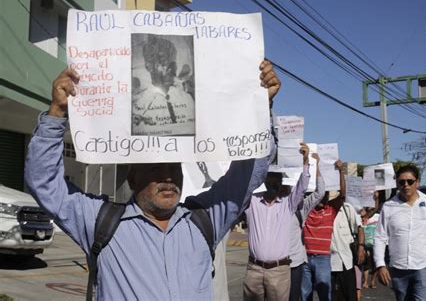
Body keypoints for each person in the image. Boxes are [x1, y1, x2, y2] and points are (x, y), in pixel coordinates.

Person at [24, 60, 281, 300]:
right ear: (133, 177)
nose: (168, 176)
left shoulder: (205, 220)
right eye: (156, 168)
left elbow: (248, 174)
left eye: (174, 167)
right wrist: (57, 112)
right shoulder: (100, 221)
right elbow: (43, 181)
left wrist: (261, 109)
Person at [243, 142, 310, 301]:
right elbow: (243, 185)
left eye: (276, 181)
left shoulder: (288, 205)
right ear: (264, 181)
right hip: (254, 270)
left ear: (281, 184)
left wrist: (305, 162)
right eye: (270, 179)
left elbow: (302, 187)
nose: (273, 183)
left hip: (279, 272)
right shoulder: (252, 202)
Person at [374, 164, 426, 301]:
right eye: (401, 182)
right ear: (397, 183)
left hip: (425, 265)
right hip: (398, 267)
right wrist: (380, 264)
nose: (406, 185)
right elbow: (380, 237)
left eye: (410, 181)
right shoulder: (388, 206)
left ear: (417, 182)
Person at [301, 159, 346, 301]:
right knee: (304, 294)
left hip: (323, 259)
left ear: (328, 196)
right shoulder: (305, 209)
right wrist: (310, 164)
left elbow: (343, 195)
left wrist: (341, 171)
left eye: (325, 194)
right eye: (319, 193)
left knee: (325, 294)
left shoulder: (331, 209)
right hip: (304, 258)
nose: (322, 196)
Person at [289, 153, 326, 301]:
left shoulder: (302, 207)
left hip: (295, 263)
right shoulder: (276, 204)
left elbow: (320, 193)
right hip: (276, 265)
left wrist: (316, 164)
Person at [330, 198, 366, 301]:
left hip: (346, 261)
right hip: (327, 263)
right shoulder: (321, 209)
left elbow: (359, 228)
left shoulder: (347, 208)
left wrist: (361, 247)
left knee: (350, 296)